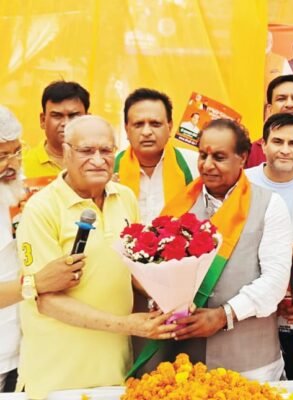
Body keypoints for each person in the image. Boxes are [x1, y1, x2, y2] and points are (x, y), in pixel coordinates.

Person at [16, 115, 175, 399]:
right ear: (66, 152)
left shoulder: (124, 197)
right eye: (87, 151)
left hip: (115, 371)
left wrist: (171, 296)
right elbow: (46, 300)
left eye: (106, 150)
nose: (99, 160)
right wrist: (128, 325)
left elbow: (131, 271)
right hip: (57, 377)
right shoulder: (41, 209)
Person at [132, 119, 293, 381]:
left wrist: (224, 315)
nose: (207, 165)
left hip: (249, 362)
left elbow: (275, 281)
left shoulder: (269, 205)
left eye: (219, 157)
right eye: (203, 155)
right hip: (186, 361)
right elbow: (157, 270)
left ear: (242, 158)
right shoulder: (180, 205)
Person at [0, 106, 88, 393]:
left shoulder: (17, 193)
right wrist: (36, 283)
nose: (13, 163)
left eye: (17, 152)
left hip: (24, 351)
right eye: (2, 156)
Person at [245, 113, 293, 380]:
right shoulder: (243, 183)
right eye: (277, 141)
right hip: (247, 302)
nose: (285, 150)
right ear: (263, 145)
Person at [115, 88, 198, 225]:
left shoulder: (196, 165)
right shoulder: (109, 168)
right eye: (138, 124)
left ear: (169, 126)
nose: (146, 132)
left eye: (155, 124)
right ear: (126, 129)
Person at [23, 80, 89, 178]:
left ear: (88, 120)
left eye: (73, 116)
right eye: (57, 116)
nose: (66, 123)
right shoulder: (22, 165)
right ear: (43, 120)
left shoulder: (101, 163)